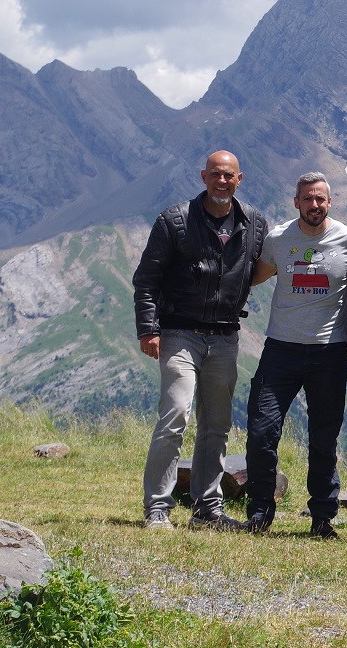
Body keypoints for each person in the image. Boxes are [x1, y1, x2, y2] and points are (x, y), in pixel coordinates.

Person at [134, 150, 268, 531]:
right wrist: (148, 329)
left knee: (217, 424)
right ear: (203, 176)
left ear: (239, 179)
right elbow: (147, 280)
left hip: (225, 336)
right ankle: (157, 508)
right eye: (215, 174)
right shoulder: (175, 220)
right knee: (176, 414)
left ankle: (207, 509)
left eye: (228, 175)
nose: (221, 181)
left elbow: (265, 266)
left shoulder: (254, 223)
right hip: (180, 333)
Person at [245, 172, 347, 539]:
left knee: (323, 439)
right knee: (262, 431)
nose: (314, 205)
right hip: (280, 349)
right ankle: (259, 513)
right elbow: (253, 276)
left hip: (329, 352)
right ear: (296, 202)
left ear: (329, 202)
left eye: (320, 199)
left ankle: (322, 519)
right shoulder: (278, 239)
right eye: (308, 199)